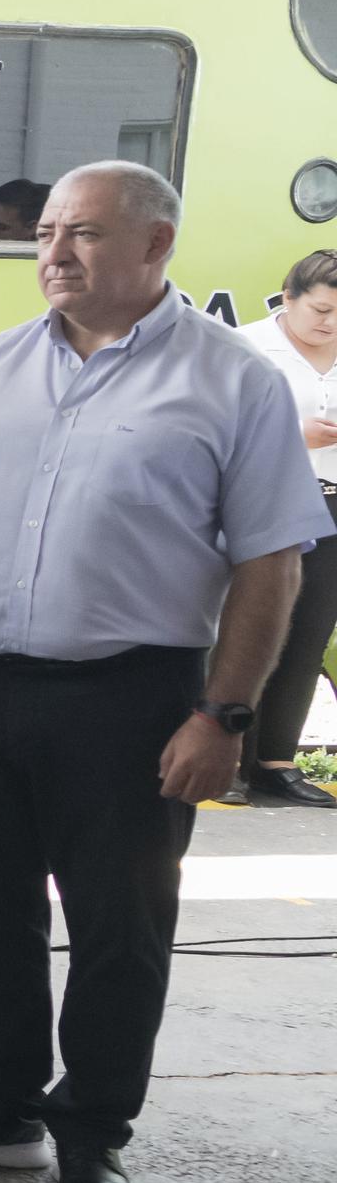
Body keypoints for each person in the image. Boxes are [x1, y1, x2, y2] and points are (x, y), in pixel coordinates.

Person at [0, 162, 326, 1183]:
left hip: (135, 697)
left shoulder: (232, 381)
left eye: (85, 233)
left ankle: (93, 1132)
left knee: (120, 925)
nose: (56, 253)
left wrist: (225, 714)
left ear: (157, 244)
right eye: (46, 233)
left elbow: (271, 565)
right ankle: (0, 1105)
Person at [234, 251, 337, 806]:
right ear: (288, 297)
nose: (330, 323)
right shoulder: (246, 348)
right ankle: (228, 756)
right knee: (244, 628)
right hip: (264, 500)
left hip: (332, 505)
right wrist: (295, 434)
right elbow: (215, 427)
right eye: (321, 310)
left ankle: (276, 760)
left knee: (308, 635)